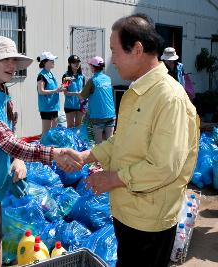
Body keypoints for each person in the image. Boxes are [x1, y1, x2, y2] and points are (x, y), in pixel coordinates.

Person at [0, 36, 83, 267]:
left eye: (14, 60)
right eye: (5, 60)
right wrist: (54, 154)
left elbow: (10, 133)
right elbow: (7, 142)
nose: (12, 65)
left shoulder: (2, 93)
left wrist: (18, 159)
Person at [80, 14, 199, 267]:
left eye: (114, 51)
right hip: (128, 211)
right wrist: (86, 156)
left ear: (137, 49)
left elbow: (164, 167)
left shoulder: (169, 98)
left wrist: (110, 179)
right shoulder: (136, 91)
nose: (112, 60)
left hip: (149, 220)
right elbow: (121, 141)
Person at [80, 56, 116, 144]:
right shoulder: (108, 79)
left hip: (98, 116)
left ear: (93, 67)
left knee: (98, 144)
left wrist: (75, 93)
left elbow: (82, 96)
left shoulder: (92, 80)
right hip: (111, 115)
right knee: (110, 143)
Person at [36, 51, 66, 134]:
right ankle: (42, 146)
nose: (53, 61)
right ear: (45, 62)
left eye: (53, 59)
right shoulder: (41, 75)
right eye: (51, 60)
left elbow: (53, 88)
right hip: (46, 107)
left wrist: (61, 87)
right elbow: (41, 91)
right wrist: (56, 90)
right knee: (46, 133)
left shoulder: (50, 74)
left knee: (53, 132)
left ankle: (51, 147)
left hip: (54, 106)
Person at [62, 55, 85, 128]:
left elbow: (83, 89)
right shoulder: (67, 76)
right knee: (70, 127)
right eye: (74, 62)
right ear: (69, 64)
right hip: (70, 105)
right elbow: (65, 93)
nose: (76, 64)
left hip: (80, 105)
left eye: (78, 62)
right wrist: (76, 94)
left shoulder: (81, 76)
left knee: (79, 127)